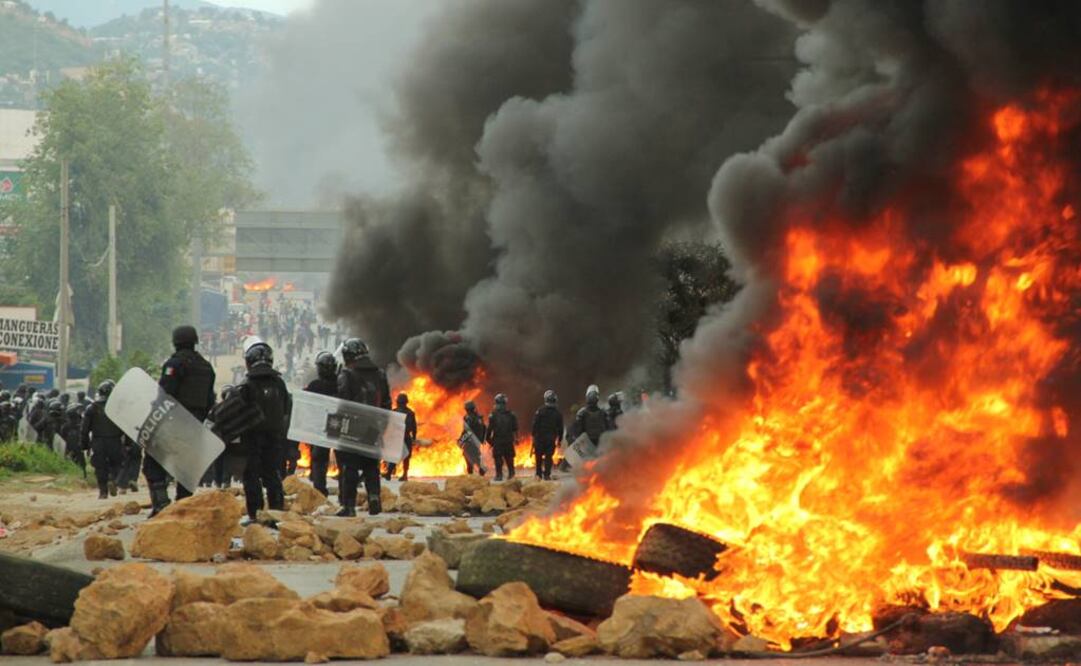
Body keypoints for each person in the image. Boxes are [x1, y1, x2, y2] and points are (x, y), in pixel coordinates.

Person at [145, 325, 216, 514]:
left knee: (152, 462)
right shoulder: (206, 367)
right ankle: (184, 506)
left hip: (173, 423)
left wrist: (153, 418)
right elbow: (210, 399)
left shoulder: (174, 364)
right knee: (186, 468)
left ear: (176, 342)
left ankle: (161, 505)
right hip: (195, 425)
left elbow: (166, 394)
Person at [336, 338, 390, 516]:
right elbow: (387, 403)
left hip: (353, 426)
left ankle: (349, 506)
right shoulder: (380, 374)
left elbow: (342, 402)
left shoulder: (347, 374)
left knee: (350, 467)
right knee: (371, 466)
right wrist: (382, 427)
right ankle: (374, 497)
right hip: (374, 426)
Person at [238, 341, 292, 521]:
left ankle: (255, 514)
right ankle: (276, 512)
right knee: (273, 474)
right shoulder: (279, 383)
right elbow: (286, 409)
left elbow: (238, 412)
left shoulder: (247, 384)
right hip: (275, 437)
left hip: (252, 437)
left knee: (251, 475)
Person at [81, 380, 125, 500]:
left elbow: (84, 429)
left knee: (100, 467)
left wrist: (84, 445)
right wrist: (128, 444)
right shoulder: (118, 408)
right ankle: (113, 480)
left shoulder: (91, 408)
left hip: (98, 441)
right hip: (115, 440)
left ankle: (103, 492)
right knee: (116, 464)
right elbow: (125, 427)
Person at [303, 352, 338, 497]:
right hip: (337, 427)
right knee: (343, 460)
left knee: (319, 459)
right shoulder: (340, 384)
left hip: (320, 428)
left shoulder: (315, 385)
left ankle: (319, 489)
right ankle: (346, 495)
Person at [530, 390, 563, 480]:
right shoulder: (558, 413)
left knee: (538, 457)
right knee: (548, 457)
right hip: (550, 439)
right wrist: (559, 440)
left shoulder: (540, 411)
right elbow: (560, 428)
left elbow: (535, 425)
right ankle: (547, 475)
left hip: (539, 439)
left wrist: (533, 436)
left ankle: (538, 474)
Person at [384, 393, 417, 482]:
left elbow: (413, 427)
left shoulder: (397, 412)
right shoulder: (409, 413)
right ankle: (393, 474)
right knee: (401, 457)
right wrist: (414, 437)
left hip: (401, 437)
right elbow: (414, 427)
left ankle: (392, 474)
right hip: (403, 437)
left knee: (400, 456)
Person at [486, 394, 518, 481]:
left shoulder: (493, 415)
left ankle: (499, 475)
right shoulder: (511, 414)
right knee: (509, 458)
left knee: (498, 458)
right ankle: (511, 474)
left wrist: (490, 441)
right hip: (508, 440)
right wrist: (516, 439)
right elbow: (515, 429)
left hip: (498, 441)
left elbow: (489, 430)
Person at [460, 401, 487, 476]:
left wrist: (461, 440)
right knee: (476, 457)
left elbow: (467, 431)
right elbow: (485, 428)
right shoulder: (479, 418)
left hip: (470, 442)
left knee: (468, 458)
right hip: (476, 442)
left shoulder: (469, 418)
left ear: (467, 409)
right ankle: (481, 472)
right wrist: (482, 440)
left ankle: (473, 475)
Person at [61, 404, 86, 477]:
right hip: (72, 449)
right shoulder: (67, 426)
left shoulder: (79, 424)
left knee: (81, 464)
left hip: (76, 448)